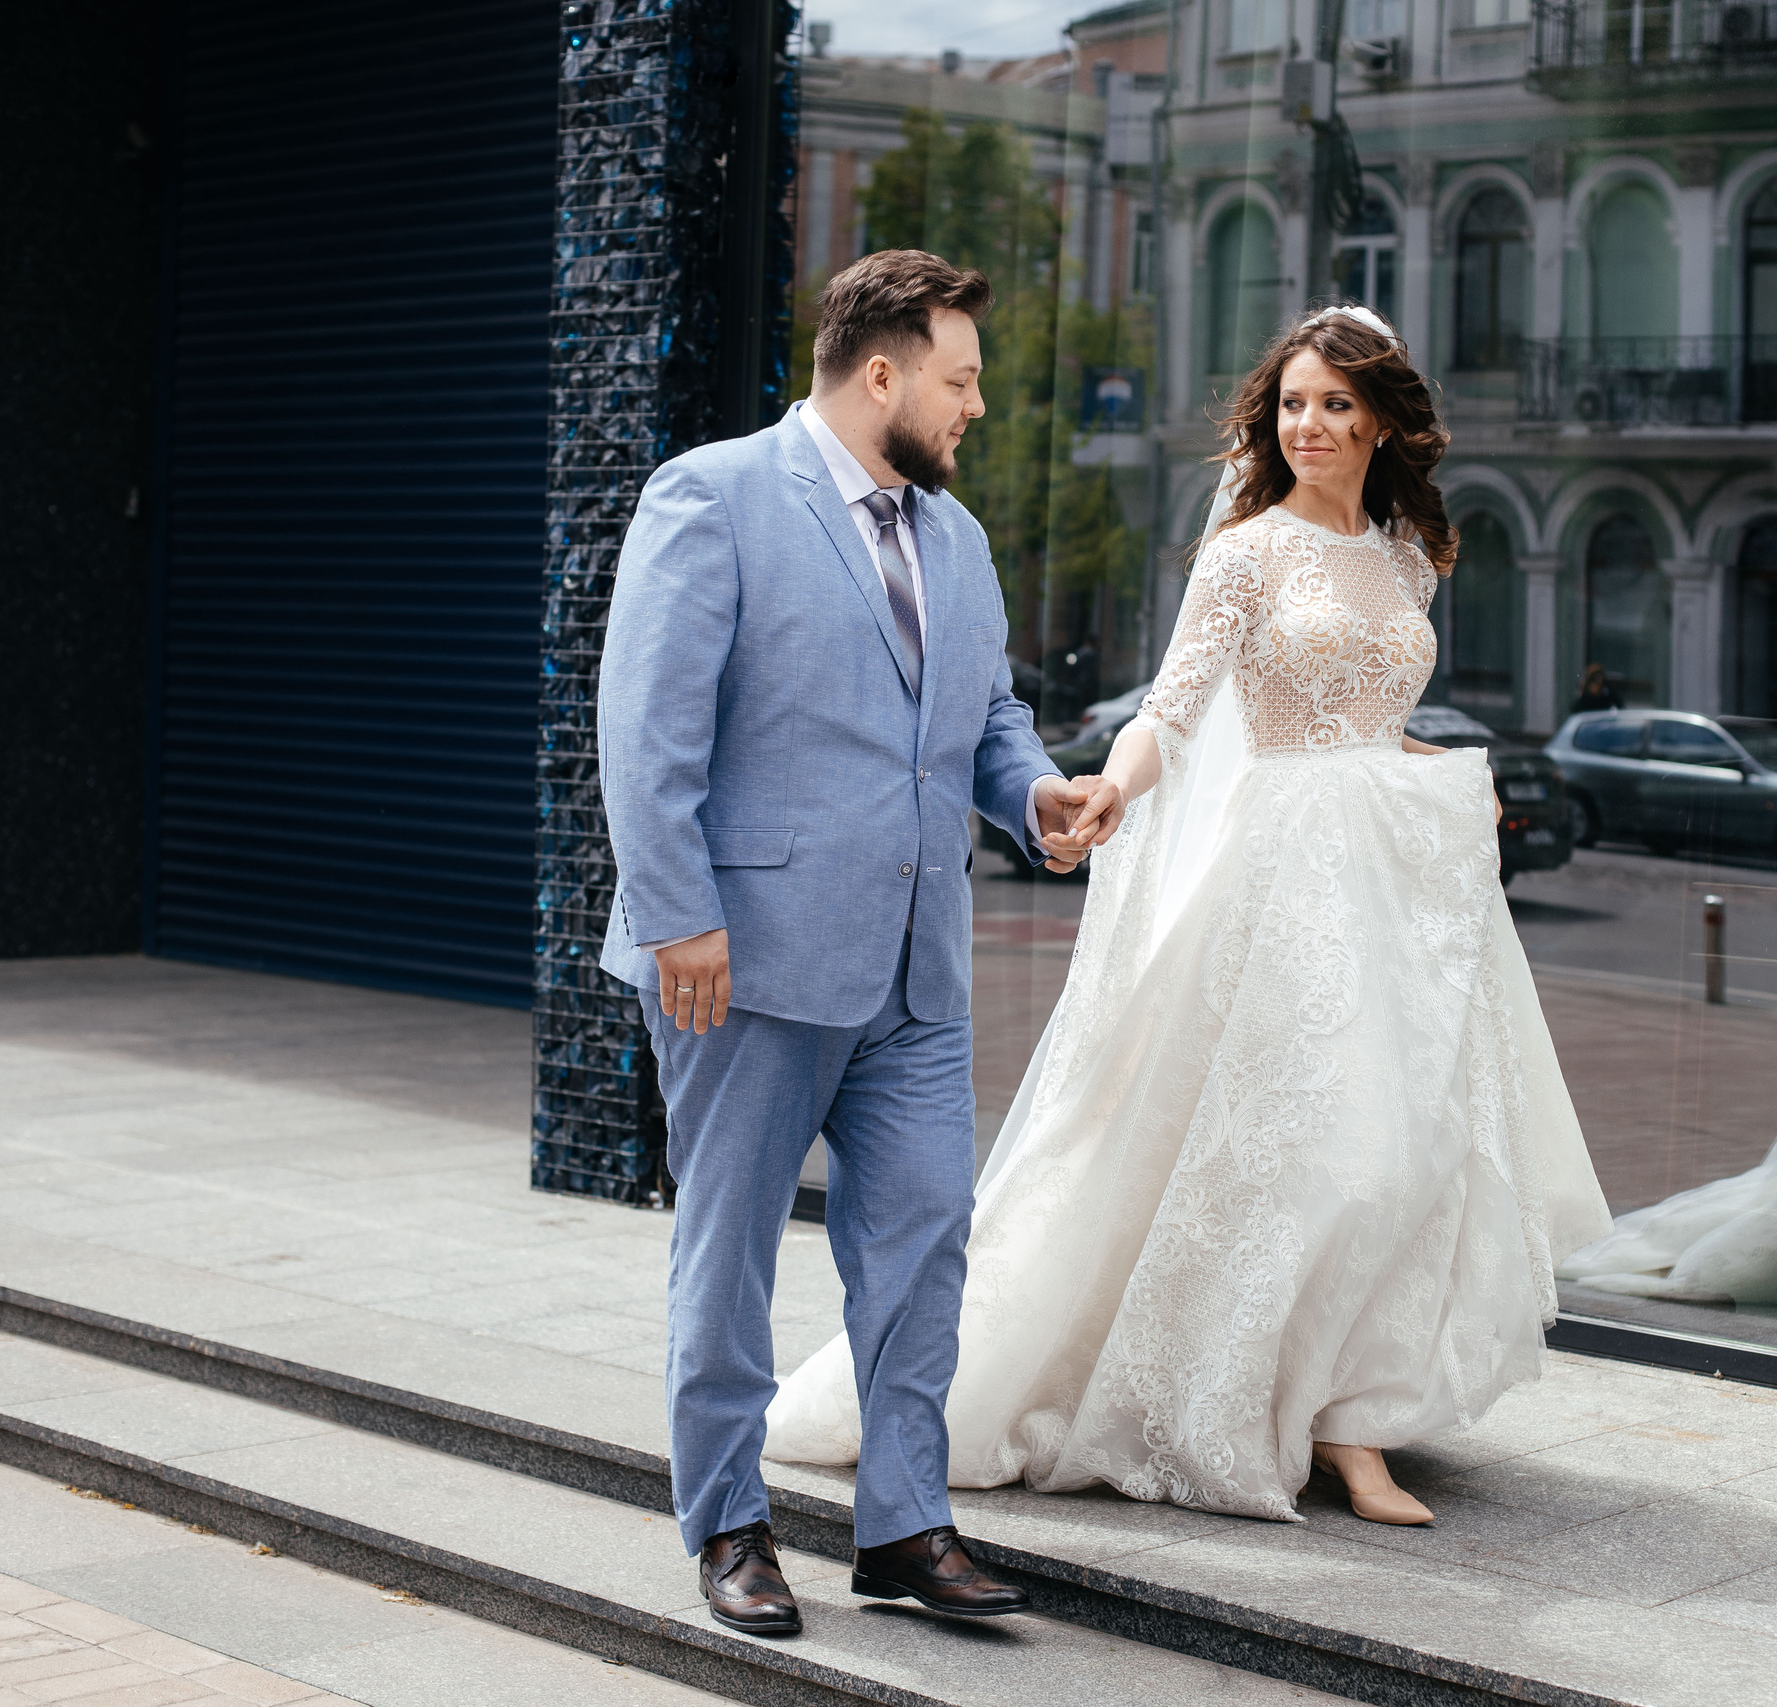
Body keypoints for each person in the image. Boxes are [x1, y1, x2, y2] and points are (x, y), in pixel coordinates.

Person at [766, 306, 1610, 1528]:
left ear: (1378, 417)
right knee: (1328, 1149)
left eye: (1331, 403)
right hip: (1289, 881)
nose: (1307, 425)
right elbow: (1173, 709)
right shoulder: (1245, 555)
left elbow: (1373, 707)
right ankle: (1301, 1413)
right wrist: (1109, 783)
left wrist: (1437, 773)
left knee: (1416, 1147)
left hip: (1404, 878)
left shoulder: (1407, 553)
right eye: (1289, 405)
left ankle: (1353, 1416)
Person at [597, 250, 1118, 1636]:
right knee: (730, 1252)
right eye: (961, 381)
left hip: (914, 965)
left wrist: (1038, 791)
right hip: (740, 955)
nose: (978, 408)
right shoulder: (710, 495)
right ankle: (728, 1519)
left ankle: (900, 1522)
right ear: (880, 373)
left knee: (923, 1242)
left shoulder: (956, 537)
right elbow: (644, 728)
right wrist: (679, 916)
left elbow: (988, 715)